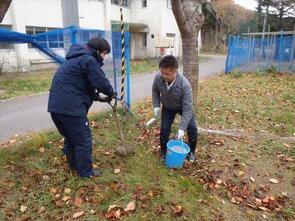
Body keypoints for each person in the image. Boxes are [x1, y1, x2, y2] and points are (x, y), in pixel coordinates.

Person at [48, 37, 116, 177]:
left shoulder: (75, 59)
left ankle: (74, 166)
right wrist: (111, 93)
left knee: (72, 137)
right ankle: (86, 173)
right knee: (83, 140)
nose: (104, 57)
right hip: (71, 108)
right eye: (104, 54)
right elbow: (100, 81)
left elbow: (84, 86)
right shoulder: (88, 60)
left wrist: (99, 97)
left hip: (56, 107)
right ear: (97, 51)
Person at [152, 55, 198, 162]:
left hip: (182, 107)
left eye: (166, 74)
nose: (163, 76)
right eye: (162, 72)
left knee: (192, 128)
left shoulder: (184, 85)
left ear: (175, 72)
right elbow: (155, 90)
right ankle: (164, 152)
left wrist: (182, 128)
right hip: (168, 107)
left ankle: (191, 152)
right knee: (164, 130)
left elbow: (187, 109)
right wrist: (156, 105)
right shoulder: (158, 78)